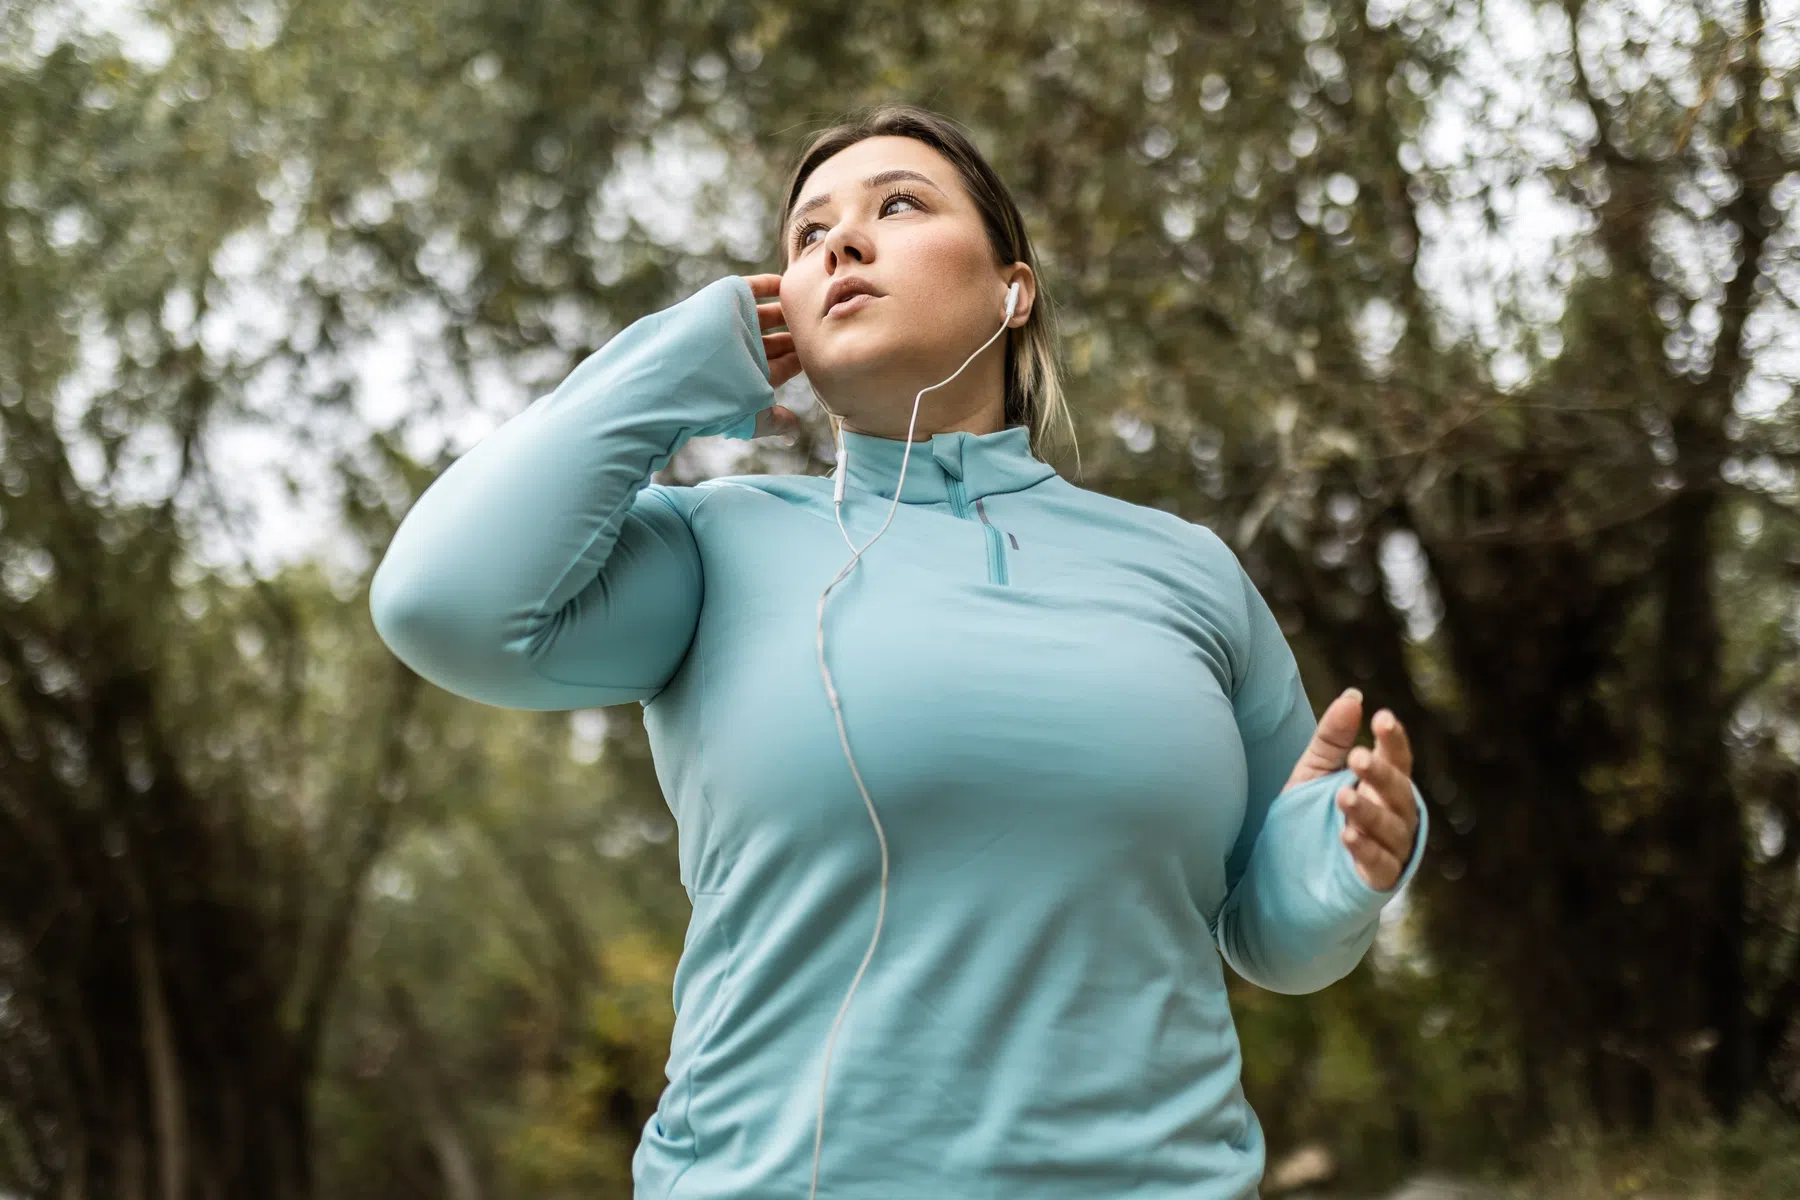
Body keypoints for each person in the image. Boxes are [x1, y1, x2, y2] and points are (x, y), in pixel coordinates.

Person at [369, 102, 1428, 1200]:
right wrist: (690, 359)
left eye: (899, 205)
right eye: (807, 236)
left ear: (1013, 291)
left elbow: (1276, 940)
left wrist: (1342, 863)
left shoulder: (1189, 571)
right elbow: (440, 603)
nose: (842, 242)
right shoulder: (712, 546)